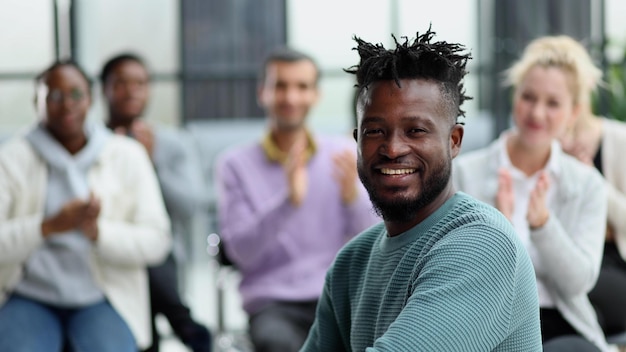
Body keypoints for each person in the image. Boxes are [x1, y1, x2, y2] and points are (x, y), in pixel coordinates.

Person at [300, 28, 542, 351]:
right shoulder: (351, 264)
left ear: (453, 141)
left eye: (415, 130)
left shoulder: (484, 244)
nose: (392, 148)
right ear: (356, 141)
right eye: (375, 131)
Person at [215, 47, 379, 352]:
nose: (291, 98)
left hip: (337, 295)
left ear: (315, 94)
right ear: (262, 92)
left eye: (301, 87)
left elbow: (375, 241)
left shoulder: (343, 154)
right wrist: (288, 202)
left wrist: (352, 199)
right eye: (280, 86)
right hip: (273, 304)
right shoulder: (234, 164)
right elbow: (240, 252)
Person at [0, 60, 171, 351]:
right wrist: (48, 227)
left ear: (91, 99)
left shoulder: (127, 155)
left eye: (76, 94)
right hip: (28, 295)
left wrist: (98, 233)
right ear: (36, 101)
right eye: (54, 96)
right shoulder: (11, 158)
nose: (67, 105)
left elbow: (157, 241)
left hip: (102, 297)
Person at [453, 36, 610, 351]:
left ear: (573, 112)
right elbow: (458, 273)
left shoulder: (586, 184)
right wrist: (502, 231)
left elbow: (580, 282)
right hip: (486, 320)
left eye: (553, 103)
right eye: (528, 97)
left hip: (558, 322)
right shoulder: (465, 172)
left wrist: (543, 226)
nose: (537, 113)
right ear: (515, 96)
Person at [100, 53, 212, 352]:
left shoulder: (173, 144)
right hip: (106, 254)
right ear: (104, 89)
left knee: (148, 259)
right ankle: (183, 321)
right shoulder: (91, 145)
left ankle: (176, 324)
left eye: (140, 83)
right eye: (121, 83)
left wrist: (151, 165)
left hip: (161, 254)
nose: (131, 91)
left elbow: (190, 207)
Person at [557, 38, 626, 338]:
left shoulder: (618, 139)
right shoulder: (542, 146)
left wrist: (590, 177)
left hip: (611, 263)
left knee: (576, 296)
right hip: (560, 261)